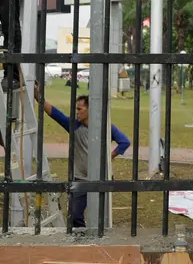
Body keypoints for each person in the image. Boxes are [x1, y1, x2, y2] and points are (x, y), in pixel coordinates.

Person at [42, 95, 131, 228]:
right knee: (75, 215)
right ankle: (81, 240)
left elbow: (124, 142)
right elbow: (55, 113)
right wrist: (38, 96)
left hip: (101, 178)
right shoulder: (74, 126)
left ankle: (96, 241)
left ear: (91, 110)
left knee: (101, 217)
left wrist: (110, 155)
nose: (76, 112)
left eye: (79, 109)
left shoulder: (105, 127)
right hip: (80, 179)